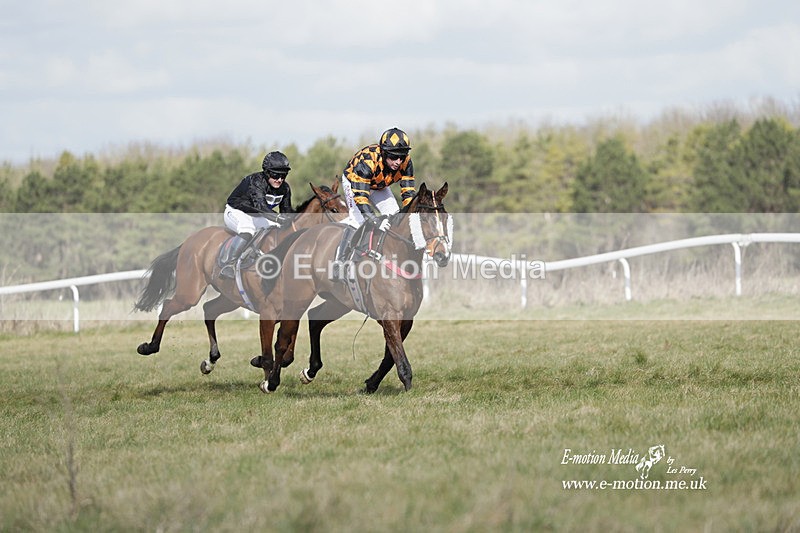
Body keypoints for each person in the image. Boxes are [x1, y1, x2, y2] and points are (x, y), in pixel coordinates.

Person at [220, 151, 294, 279]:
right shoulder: (257, 181)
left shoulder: (285, 188)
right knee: (247, 229)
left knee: (280, 229)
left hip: (258, 216)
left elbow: (287, 211)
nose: (280, 179)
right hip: (237, 211)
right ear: (267, 172)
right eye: (276, 175)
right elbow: (261, 207)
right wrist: (277, 218)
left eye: (284, 175)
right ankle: (229, 264)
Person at [341, 127, 416, 232]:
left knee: (394, 217)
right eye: (394, 156)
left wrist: (412, 217)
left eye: (402, 156)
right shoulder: (367, 162)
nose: (398, 162)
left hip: (379, 185)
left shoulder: (406, 162)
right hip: (354, 183)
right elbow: (361, 197)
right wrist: (375, 220)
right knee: (359, 222)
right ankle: (341, 246)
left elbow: (408, 194)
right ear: (384, 153)